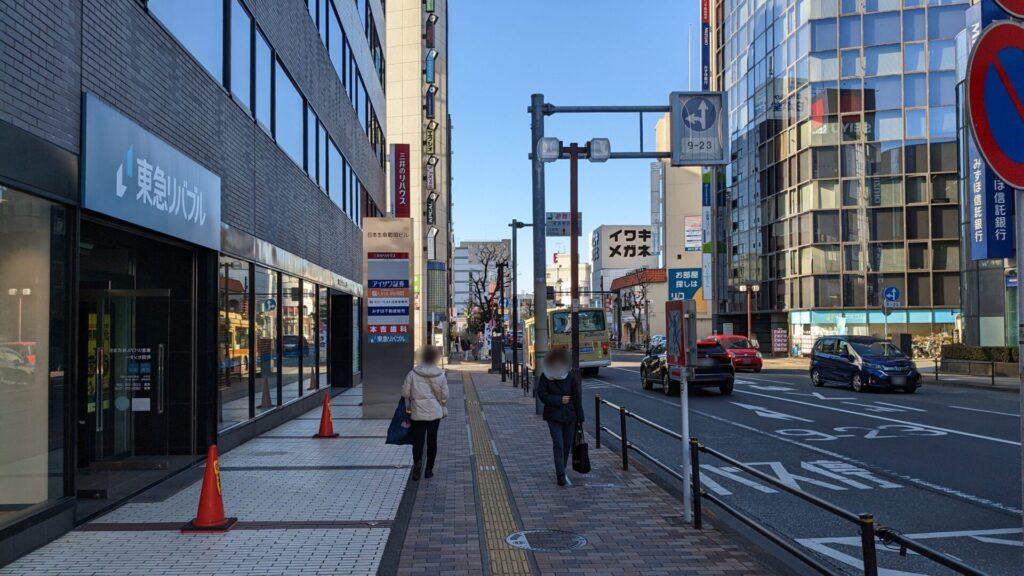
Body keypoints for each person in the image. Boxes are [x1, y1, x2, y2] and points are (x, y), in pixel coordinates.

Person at [536, 347, 584, 486]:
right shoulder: (546, 376)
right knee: (558, 443)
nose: (557, 363)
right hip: (553, 416)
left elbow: (576, 397)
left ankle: (561, 467)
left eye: (559, 361)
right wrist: (558, 400)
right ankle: (560, 475)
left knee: (566, 445)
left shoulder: (569, 376)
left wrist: (580, 417)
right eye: (554, 361)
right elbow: (542, 394)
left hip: (570, 416)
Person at [401, 346, 449, 481]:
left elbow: (405, 392)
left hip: (417, 413)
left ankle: (417, 463)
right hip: (434, 413)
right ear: (435, 358)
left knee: (418, 441)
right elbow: (445, 396)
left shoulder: (413, 373)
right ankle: (429, 470)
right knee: (432, 441)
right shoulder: (440, 375)